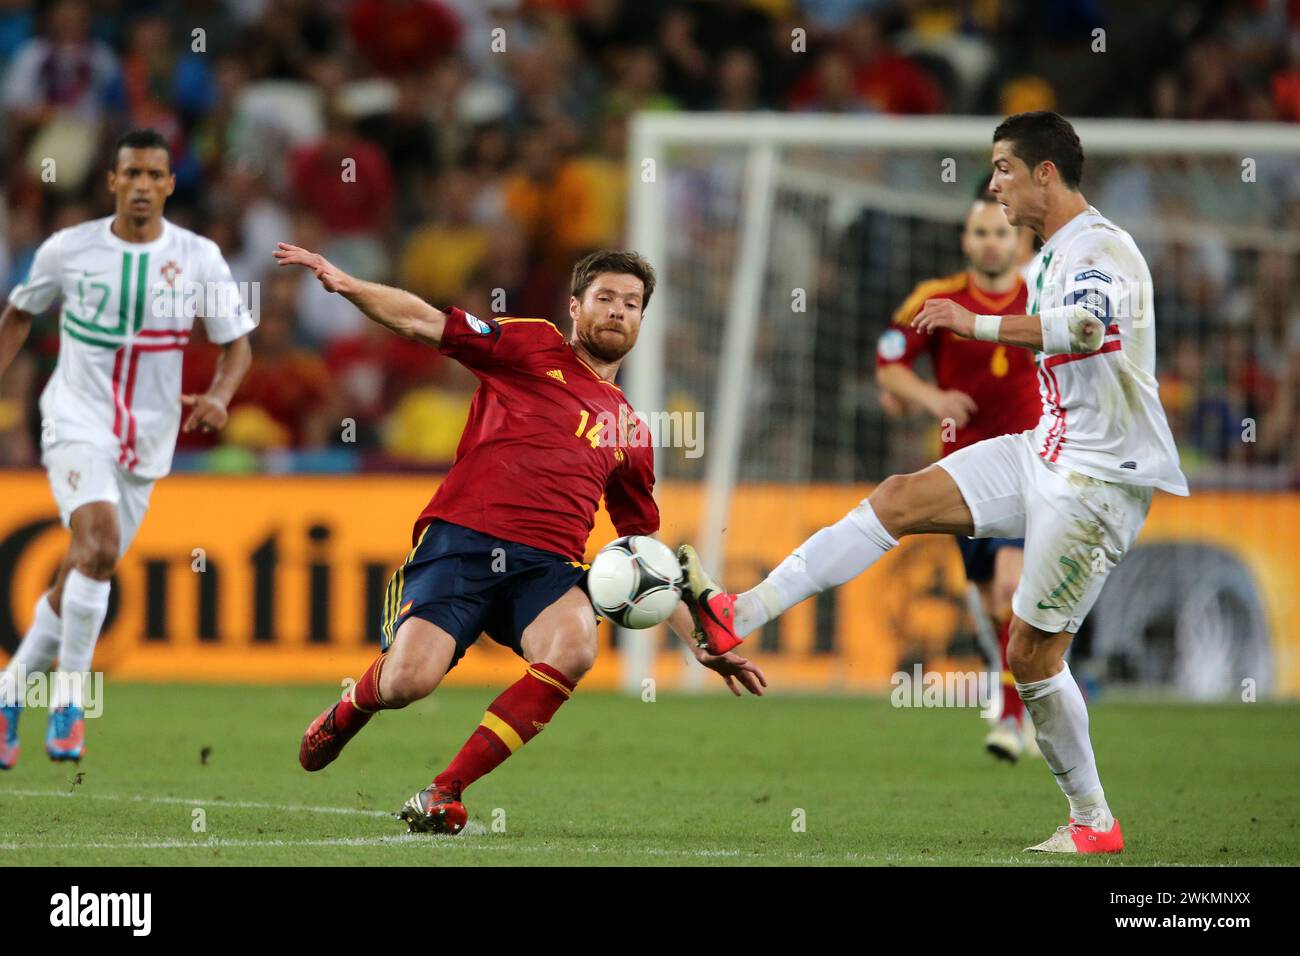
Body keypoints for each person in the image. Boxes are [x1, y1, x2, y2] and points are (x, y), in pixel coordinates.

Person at [679, 111, 1189, 855]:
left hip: (1101, 479)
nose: (993, 184)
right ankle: (739, 611)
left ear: (1045, 172)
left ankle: (1092, 821)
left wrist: (971, 326)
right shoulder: (1050, 253)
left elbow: (1084, 329)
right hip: (1045, 449)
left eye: (1004, 168)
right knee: (898, 497)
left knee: (1031, 656)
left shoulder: (1102, 247)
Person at [275, 243, 766, 834]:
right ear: (575, 306)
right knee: (409, 681)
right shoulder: (532, 344)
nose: (617, 311)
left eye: (631, 304)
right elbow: (425, 321)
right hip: (461, 541)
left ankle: (444, 790)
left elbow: (646, 551)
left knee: (575, 647)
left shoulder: (632, 430)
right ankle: (350, 708)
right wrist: (349, 284)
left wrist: (698, 639)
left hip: (547, 568)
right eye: (605, 298)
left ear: (641, 319)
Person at [0, 128, 255, 766]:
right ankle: (69, 704)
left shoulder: (199, 257)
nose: (142, 186)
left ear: (170, 185)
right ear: (111, 181)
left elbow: (236, 345)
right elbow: (19, 315)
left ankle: (8, 694)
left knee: (87, 564)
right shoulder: (67, 250)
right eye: (131, 174)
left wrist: (221, 395)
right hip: (75, 418)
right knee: (102, 544)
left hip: (148, 439)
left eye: (154, 175)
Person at [876, 183, 1040, 762]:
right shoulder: (937, 299)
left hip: (1029, 468)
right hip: (962, 476)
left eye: (1002, 232)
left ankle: (1011, 719)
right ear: (965, 239)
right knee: (990, 604)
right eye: (980, 232)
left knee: (1012, 587)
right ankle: (1030, 691)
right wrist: (932, 397)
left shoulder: (1042, 299)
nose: (991, 243)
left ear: (1020, 240)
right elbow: (888, 365)